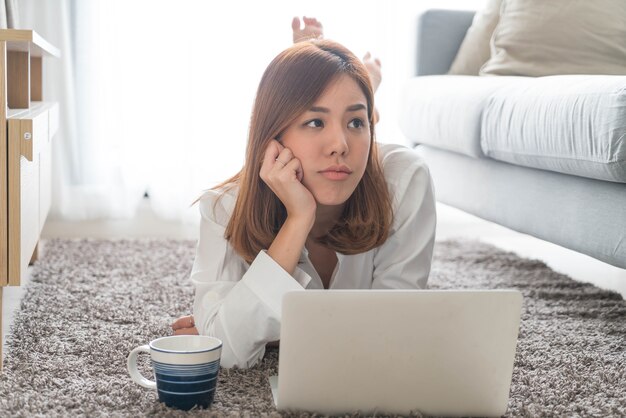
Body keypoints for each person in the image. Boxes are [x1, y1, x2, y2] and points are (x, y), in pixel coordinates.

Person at [171, 17, 436, 369]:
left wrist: (278, 331)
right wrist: (298, 219)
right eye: (315, 122)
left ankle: (353, 85)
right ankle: (347, 81)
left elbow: (394, 330)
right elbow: (229, 354)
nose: (340, 146)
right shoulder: (223, 207)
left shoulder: (403, 179)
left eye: (357, 122)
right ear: (274, 137)